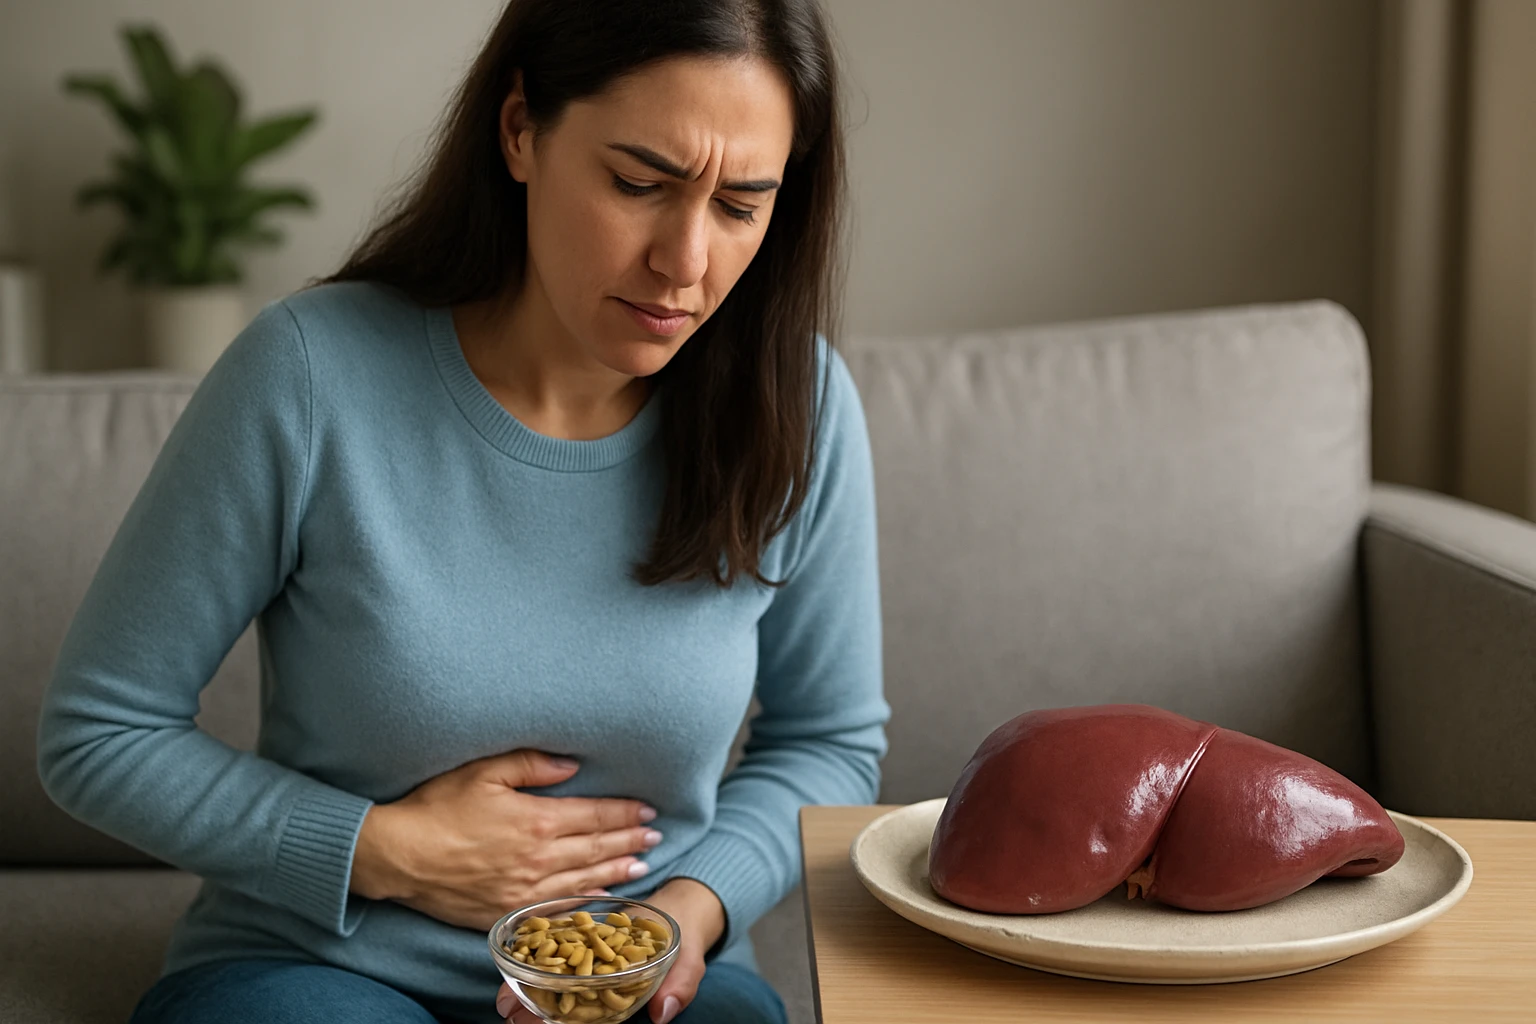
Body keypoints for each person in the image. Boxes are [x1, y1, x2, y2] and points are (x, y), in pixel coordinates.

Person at [34, 0, 888, 1021]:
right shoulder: (311, 376)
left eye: (741, 205)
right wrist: (382, 851)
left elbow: (829, 739)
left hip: (641, 978)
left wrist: (692, 909)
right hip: (319, 972)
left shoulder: (799, 406)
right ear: (522, 128)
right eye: (637, 183)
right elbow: (98, 731)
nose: (686, 261)